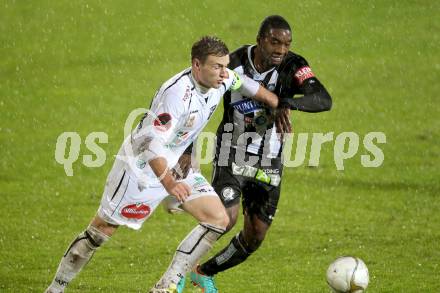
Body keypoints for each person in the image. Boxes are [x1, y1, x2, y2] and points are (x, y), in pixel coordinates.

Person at [44, 36, 281, 293]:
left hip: (177, 161)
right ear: (196, 65)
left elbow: (242, 82)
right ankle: (56, 288)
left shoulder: (221, 80)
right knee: (100, 232)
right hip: (141, 167)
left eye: (225, 66)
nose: (224, 73)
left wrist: (276, 103)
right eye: (217, 67)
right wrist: (169, 183)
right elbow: (151, 144)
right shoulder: (177, 94)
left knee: (218, 219)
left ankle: (167, 283)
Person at [175, 16, 332, 292]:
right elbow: (199, 102)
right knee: (224, 217)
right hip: (230, 155)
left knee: (255, 235)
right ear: (259, 40)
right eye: (274, 42)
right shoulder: (232, 65)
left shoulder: (294, 66)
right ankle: (175, 275)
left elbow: (323, 99)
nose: (280, 50)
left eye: (286, 44)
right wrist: (187, 149)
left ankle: (203, 272)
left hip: (270, 162)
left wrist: (285, 103)